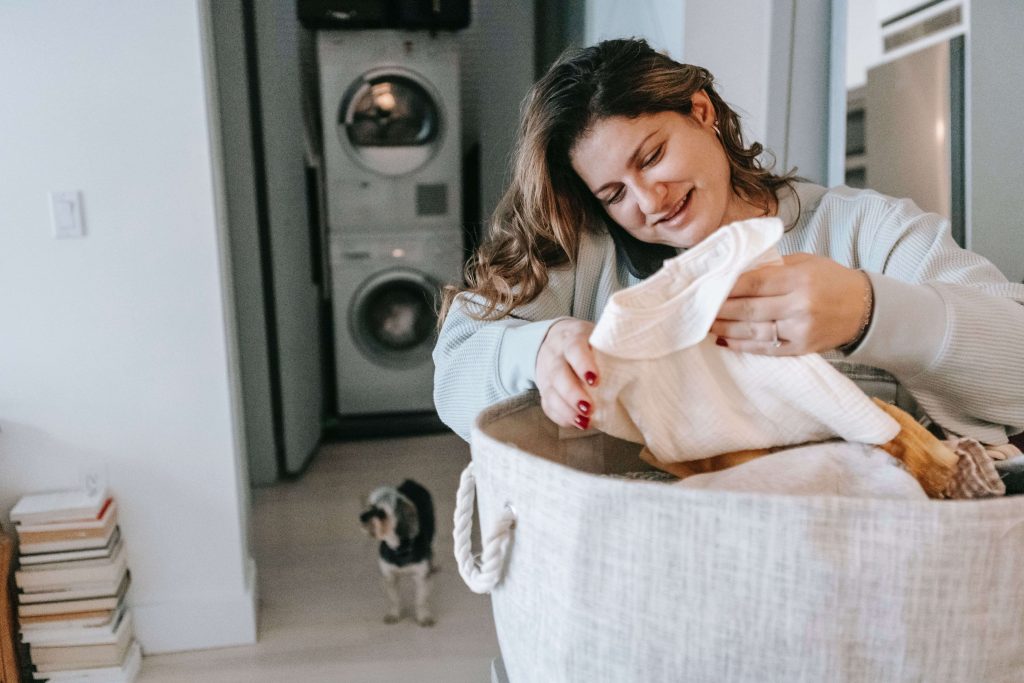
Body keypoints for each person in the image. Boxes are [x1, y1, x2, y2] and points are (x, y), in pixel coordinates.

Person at [433, 38, 1024, 448]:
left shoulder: (864, 230)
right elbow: (454, 371)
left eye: (653, 155)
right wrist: (536, 348)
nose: (648, 201)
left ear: (700, 111)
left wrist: (869, 311)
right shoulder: (586, 254)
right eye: (614, 192)